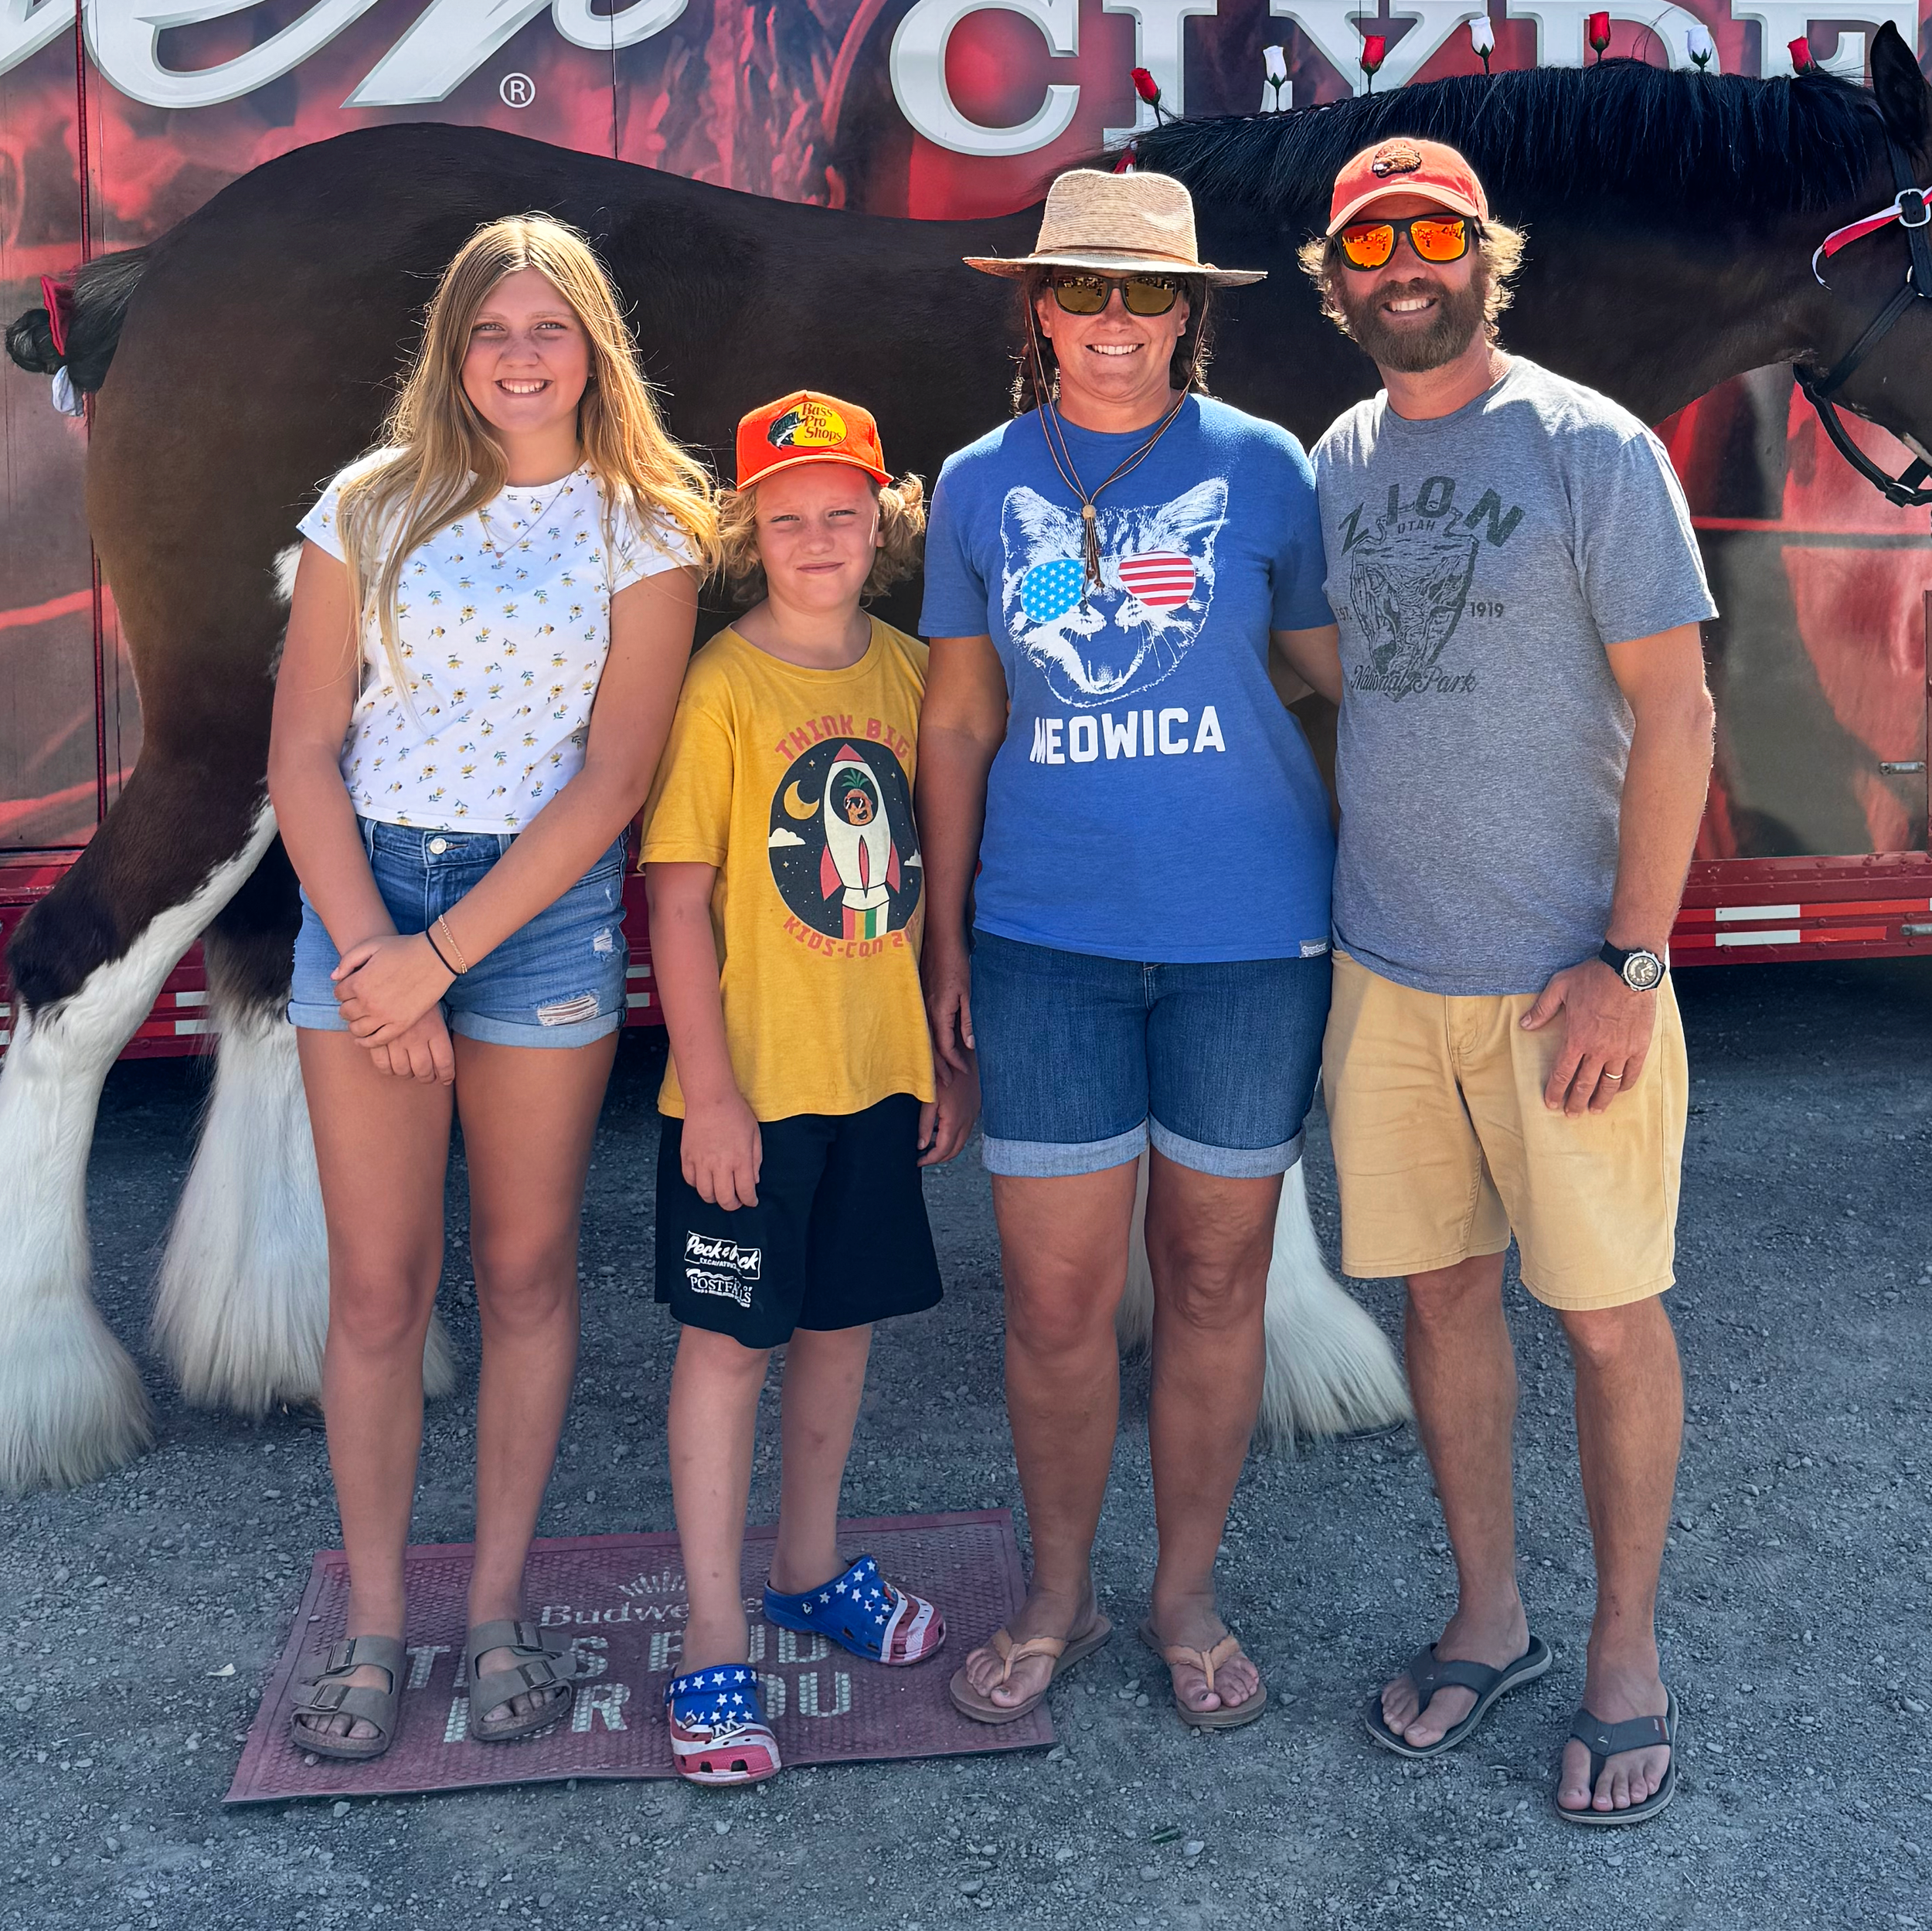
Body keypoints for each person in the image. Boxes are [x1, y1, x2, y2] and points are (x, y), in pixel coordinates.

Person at [1296, 139, 1716, 1824]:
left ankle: (1623, 1649)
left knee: (1606, 1321)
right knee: (1442, 1300)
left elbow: (1677, 713)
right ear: (1334, 280)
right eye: (1369, 239)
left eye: (1434, 234)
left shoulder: (1586, 445)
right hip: (1387, 971)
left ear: (1484, 256)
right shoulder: (1331, 457)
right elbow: (1335, 670)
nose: (1403, 260)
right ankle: (1491, 1613)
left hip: (1568, 985)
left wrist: (1629, 958)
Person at [268, 215, 716, 1760]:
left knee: (525, 1278)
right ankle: (381, 1621)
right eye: (489, 331)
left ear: (596, 346)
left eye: (548, 328)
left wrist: (439, 961)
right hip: (366, 897)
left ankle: (500, 1610)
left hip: (532, 923)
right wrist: (364, 949)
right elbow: (302, 749)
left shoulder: (647, 524)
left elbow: (613, 777)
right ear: (450, 353)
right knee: (380, 1288)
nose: (520, 357)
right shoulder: (366, 506)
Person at [918, 171, 1340, 1731]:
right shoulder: (976, 481)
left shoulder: (1266, 470)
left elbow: (1329, 677)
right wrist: (940, 929)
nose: (1111, 321)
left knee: (1216, 1278)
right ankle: (1056, 1593)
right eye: (1079, 290)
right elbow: (959, 714)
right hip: (1045, 943)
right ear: (1036, 306)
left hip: (1248, 942)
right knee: (1050, 1300)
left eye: (1143, 293)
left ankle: (1183, 1594)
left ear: (1189, 312)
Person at [643, 392, 975, 1787]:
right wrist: (707, 1090)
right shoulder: (723, 683)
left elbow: (927, 866)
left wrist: (939, 1051)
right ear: (748, 531)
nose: (818, 537)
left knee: (840, 1328)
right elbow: (674, 896)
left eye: (845, 512)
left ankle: (806, 1563)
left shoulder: (911, 673)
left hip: (875, 1077)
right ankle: (713, 1631)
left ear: (884, 522)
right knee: (730, 1347)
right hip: (749, 1096)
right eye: (788, 517)